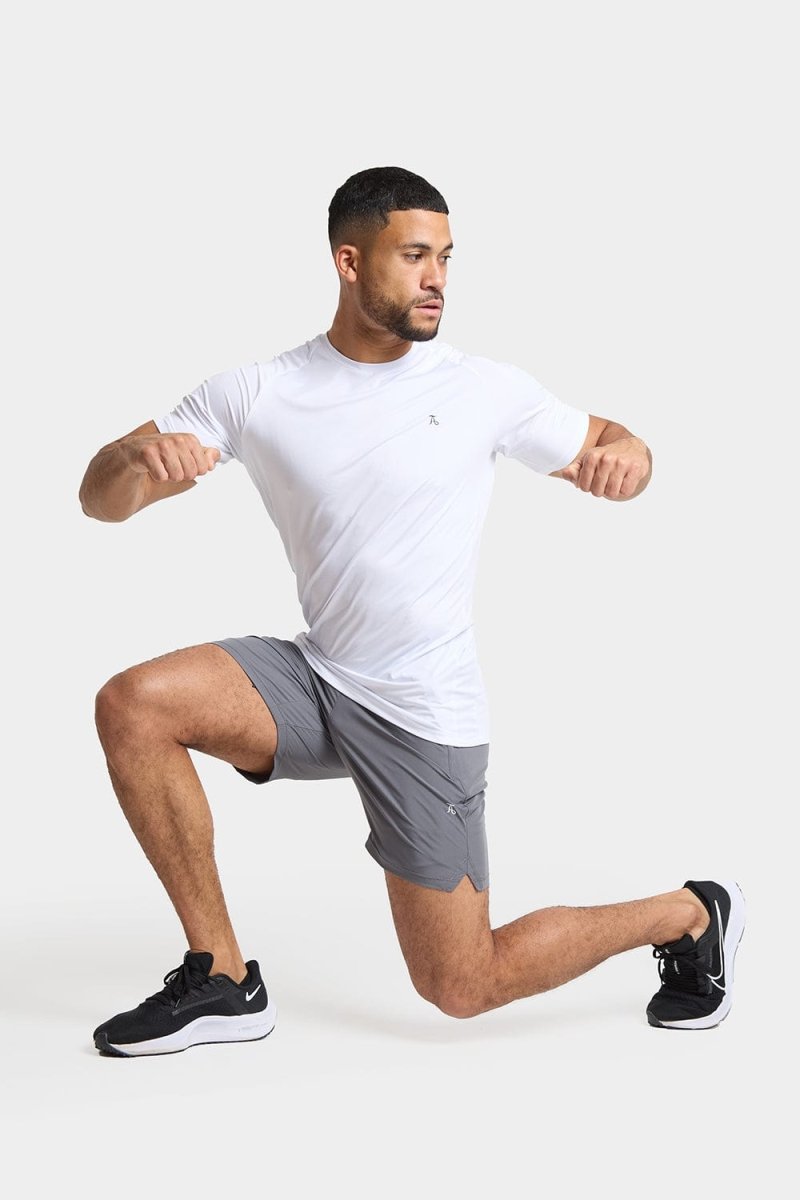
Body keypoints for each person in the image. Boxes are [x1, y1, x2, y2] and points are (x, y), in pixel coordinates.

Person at [80, 166, 744, 1057]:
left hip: (423, 713)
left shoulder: (482, 389)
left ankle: (690, 913)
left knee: (461, 985)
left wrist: (633, 458)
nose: (437, 279)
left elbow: (615, 442)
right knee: (134, 704)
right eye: (415, 256)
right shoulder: (257, 392)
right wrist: (135, 460)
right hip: (319, 677)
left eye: (447, 258)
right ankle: (224, 980)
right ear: (349, 261)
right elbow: (101, 500)